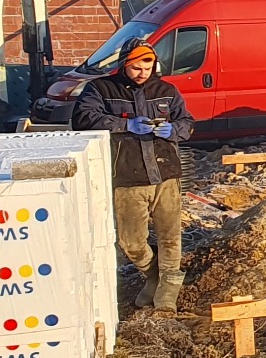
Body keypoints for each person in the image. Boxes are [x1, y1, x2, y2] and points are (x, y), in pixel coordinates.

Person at [74, 40, 194, 311]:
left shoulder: (166, 90)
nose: (142, 73)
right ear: (123, 64)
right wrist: (125, 124)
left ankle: (167, 294)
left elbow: (187, 123)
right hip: (127, 175)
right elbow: (83, 118)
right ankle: (153, 276)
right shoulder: (101, 89)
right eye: (135, 67)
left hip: (165, 173)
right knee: (131, 241)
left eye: (147, 66)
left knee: (170, 236)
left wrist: (173, 130)